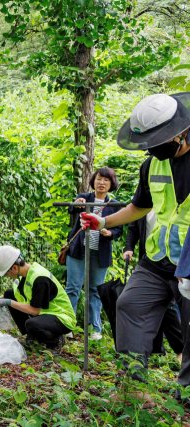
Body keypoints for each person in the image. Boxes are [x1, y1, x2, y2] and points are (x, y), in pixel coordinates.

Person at [79, 93, 190, 399]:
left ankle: (187, 391)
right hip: (156, 259)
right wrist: (104, 222)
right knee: (129, 304)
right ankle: (134, 385)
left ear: (180, 131)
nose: (153, 148)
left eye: (159, 140)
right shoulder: (153, 164)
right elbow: (139, 207)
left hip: (189, 264)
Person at [64, 167, 124, 340]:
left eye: (106, 180)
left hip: (100, 251)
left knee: (96, 290)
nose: (102, 183)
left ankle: (94, 329)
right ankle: (67, 325)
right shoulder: (84, 197)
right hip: (78, 250)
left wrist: (110, 233)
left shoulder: (114, 204)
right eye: (99, 179)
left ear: (111, 183)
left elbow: (119, 229)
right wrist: (78, 203)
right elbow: (72, 209)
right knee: (73, 287)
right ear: (93, 181)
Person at [0, 246, 76, 353]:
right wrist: (0, 298)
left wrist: (9, 302)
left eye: (7, 273)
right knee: (8, 294)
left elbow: (34, 311)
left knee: (31, 323)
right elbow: (20, 294)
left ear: (15, 268)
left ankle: (55, 340)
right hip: (46, 313)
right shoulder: (24, 274)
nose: (8, 276)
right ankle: (33, 336)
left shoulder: (39, 278)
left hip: (62, 318)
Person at [124, 213, 184, 360]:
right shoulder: (144, 203)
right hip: (150, 262)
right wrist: (129, 247)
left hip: (175, 263)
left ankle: (180, 350)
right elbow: (133, 227)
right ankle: (155, 350)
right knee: (152, 307)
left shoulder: (174, 203)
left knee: (168, 308)